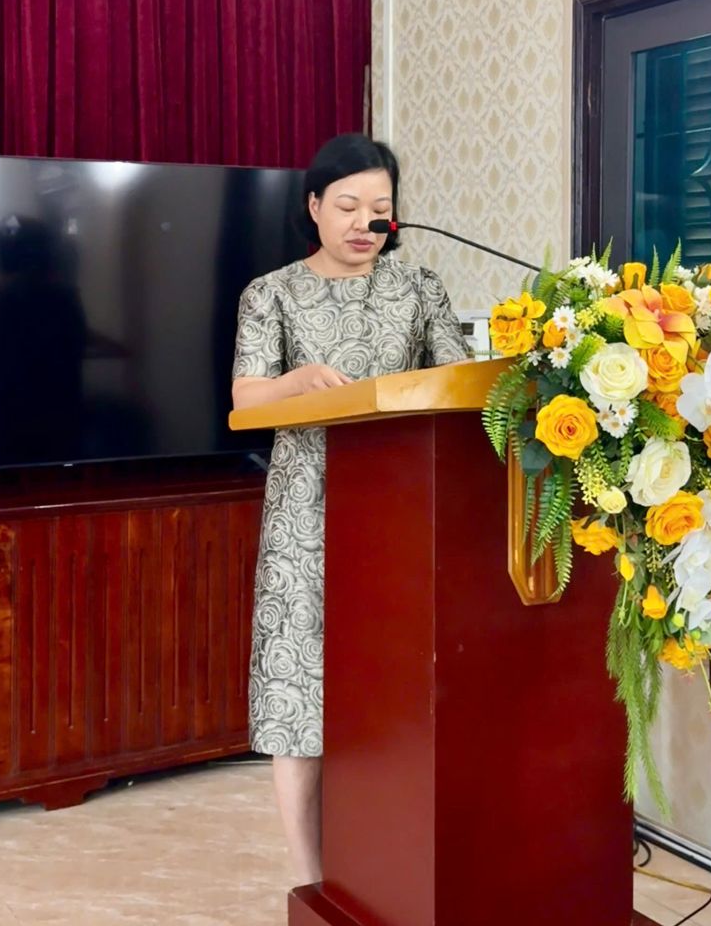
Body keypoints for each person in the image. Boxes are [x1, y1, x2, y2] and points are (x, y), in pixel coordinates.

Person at [231, 133, 467, 887]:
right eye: (347, 206)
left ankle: (389, 875)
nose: (365, 223)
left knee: (397, 690)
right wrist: (296, 380)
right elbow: (244, 399)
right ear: (313, 206)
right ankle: (311, 884)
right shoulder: (271, 293)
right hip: (307, 512)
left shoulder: (419, 287)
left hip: (406, 511)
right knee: (301, 695)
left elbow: (462, 382)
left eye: (379, 209)